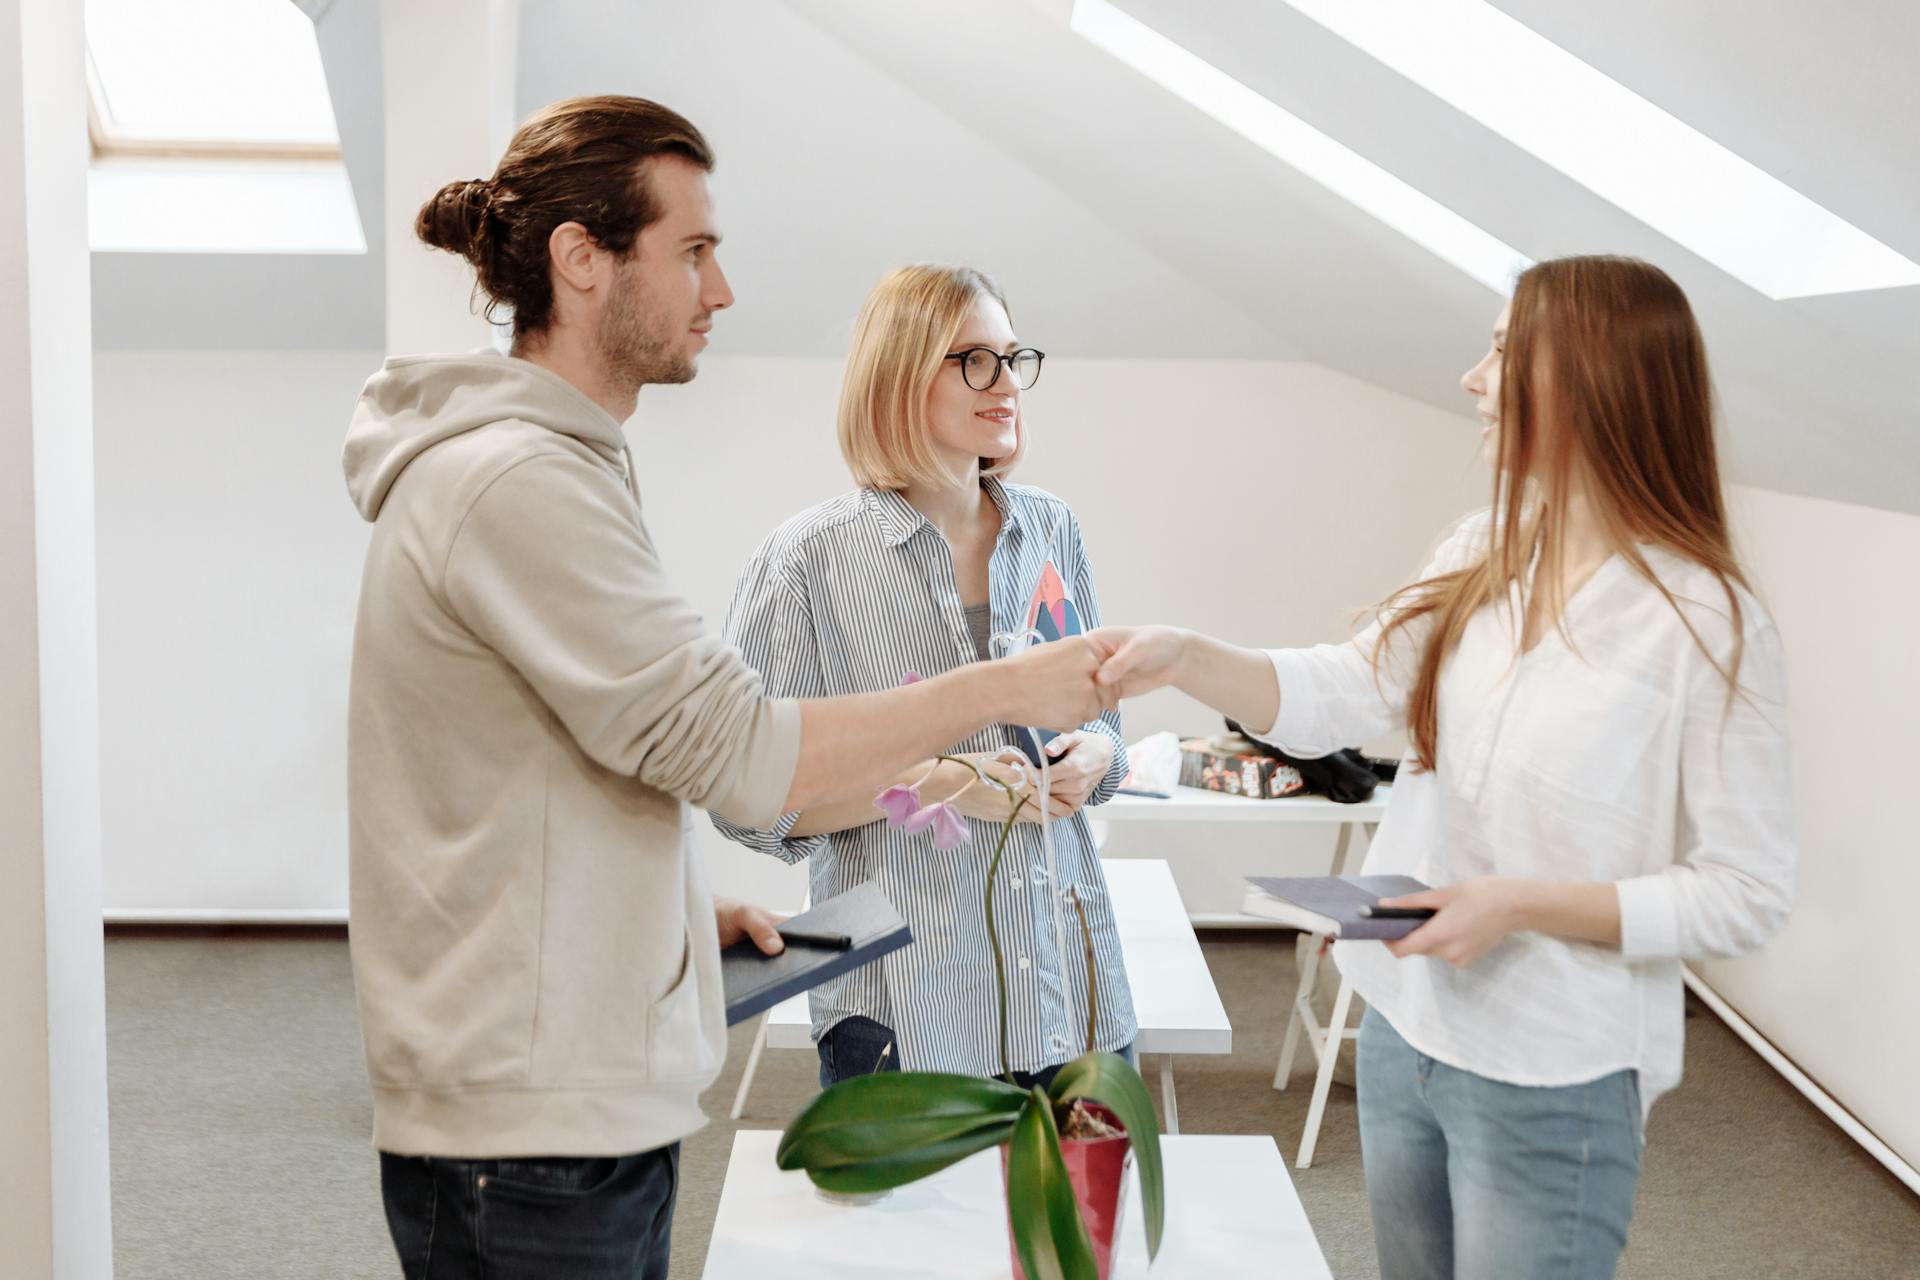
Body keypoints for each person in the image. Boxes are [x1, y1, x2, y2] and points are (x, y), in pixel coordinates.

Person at [342, 97, 1110, 1279]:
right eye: (694, 250)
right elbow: (737, 754)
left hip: (575, 1082)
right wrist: (993, 699)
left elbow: (578, 759)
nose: (724, 289)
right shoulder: (519, 484)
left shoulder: (561, 469)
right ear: (582, 258)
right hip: (538, 1115)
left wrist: (663, 917)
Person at [1093, 255, 1796, 1280]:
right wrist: (1189, 656)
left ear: (1591, 375)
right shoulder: (1481, 547)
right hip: (1400, 1026)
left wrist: (1520, 902)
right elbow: (1346, 685)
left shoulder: (1707, 624)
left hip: (1552, 1067)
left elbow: (1747, 892)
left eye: (1505, 350)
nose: (1473, 377)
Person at [714, 265, 1137, 1088]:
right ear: (901, 376)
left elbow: (1103, 723)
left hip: (1073, 992)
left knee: (1083, 1222)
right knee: (917, 1222)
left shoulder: (1052, 529)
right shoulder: (804, 563)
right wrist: (941, 782)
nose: (1007, 384)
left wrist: (1095, 757)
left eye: (1015, 359)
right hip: (906, 1009)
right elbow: (748, 796)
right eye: (975, 360)